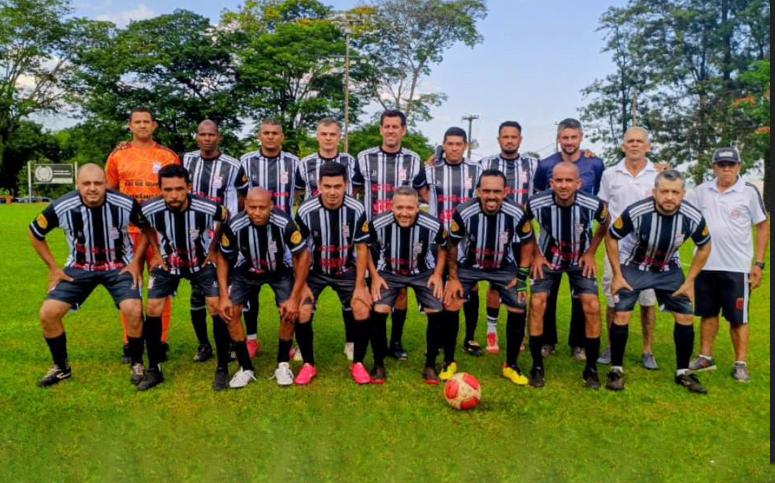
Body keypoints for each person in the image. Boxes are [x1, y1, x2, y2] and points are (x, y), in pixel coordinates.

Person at [29, 164, 151, 387]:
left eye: (98, 183)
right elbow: (35, 232)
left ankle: (136, 362)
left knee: (132, 309)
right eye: (86, 184)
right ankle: (61, 368)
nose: (92, 188)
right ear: (78, 184)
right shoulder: (61, 206)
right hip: (79, 267)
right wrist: (54, 269)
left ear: (106, 184)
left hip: (118, 266)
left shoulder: (125, 203)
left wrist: (135, 262)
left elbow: (147, 229)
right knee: (48, 314)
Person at [605, 170, 712, 394]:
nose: (669, 197)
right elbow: (612, 235)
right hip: (635, 266)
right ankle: (616, 370)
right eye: (664, 191)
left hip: (668, 270)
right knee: (622, 313)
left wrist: (690, 280)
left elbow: (705, 246)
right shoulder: (637, 211)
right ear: (654, 192)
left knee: (685, 316)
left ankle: (683, 372)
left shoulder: (692, 216)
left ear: (683, 194)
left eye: (675, 192)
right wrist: (617, 274)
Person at [137, 165, 229, 391]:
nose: (174, 195)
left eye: (179, 189)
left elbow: (225, 219)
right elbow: (144, 226)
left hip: (202, 263)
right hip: (170, 262)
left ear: (189, 187)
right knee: (153, 308)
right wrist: (156, 251)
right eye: (167, 190)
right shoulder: (149, 208)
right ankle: (154, 369)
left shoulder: (207, 206)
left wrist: (214, 248)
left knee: (216, 307)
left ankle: (222, 368)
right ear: (160, 189)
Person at [445, 170, 534, 385]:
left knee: (519, 303)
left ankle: (511, 365)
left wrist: (522, 277)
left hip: (504, 266)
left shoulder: (517, 213)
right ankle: (448, 361)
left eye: (496, 191)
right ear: (478, 192)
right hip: (470, 266)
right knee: (451, 302)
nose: (491, 196)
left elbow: (528, 243)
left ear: (506, 192)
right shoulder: (464, 211)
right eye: (486, 191)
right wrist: (454, 277)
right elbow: (452, 244)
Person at [687, 147, 769, 382]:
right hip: (706, 264)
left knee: (738, 317)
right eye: (721, 165)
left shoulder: (749, 192)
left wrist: (759, 263)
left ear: (739, 167)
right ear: (713, 167)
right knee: (707, 314)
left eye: (730, 165)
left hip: (737, 267)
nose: (726, 169)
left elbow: (762, 225)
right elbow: (677, 201)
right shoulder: (702, 191)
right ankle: (705, 357)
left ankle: (740, 363)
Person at [105, 107, 180, 362]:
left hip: (159, 232)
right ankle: (131, 342)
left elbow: (176, 193)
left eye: (146, 121)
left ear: (154, 125)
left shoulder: (167, 156)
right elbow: (109, 192)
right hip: (128, 232)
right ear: (130, 126)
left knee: (161, 285)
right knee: (129, 286)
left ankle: (160, 341)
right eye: (137, 122)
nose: (142, 126)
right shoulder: (118, 156)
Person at [526, 162, 609, 389]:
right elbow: (524, 225)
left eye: (568, 180)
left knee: (592, 305)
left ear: (578, 183)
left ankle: (591, 369)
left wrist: (591, 252)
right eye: (558, 180)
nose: (563, 185)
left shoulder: (593, 204)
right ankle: (537, 365)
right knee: (537, 302)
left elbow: (606, 224)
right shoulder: (536, 202)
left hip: (578, 259)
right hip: (548, 259)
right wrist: (536, 254)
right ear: (551, 183)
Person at [217, 188, 312, 388]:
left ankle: (282, 364)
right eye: (252, 207)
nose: (257, 212)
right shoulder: (234, 225)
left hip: (278, 271)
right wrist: (224, 295)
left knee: (289, 311)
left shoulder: (285, 222)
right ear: (245, 206)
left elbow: (303, 255)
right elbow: (223, 257)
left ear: (271, 206)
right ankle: (245, 367)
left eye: (262, 207)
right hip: (245, 271)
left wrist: (295, 296)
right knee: (230, 312)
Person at [356, 110, 427, 360]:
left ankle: (395, 341)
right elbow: (355, 191)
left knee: (400, 289)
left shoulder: (414, 160)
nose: (391, 131)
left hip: (404, 231)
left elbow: (423, 194)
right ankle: (369, 339)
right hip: (373, 234)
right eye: (386, 126)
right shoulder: (363, 158)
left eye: (396, 127)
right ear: (380, 129)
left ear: (403, 130)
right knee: (370, 286)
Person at [533, 118, 605, 361]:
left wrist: (591, 251)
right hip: (550, 242)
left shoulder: (594, 162)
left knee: (582, 296)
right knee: (547, 293)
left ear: (581, 137)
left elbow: (601, 202)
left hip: (581, 239)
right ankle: (547, 341)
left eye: (574, 137)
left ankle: (579, 343)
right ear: (558, 138)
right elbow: (536, 200)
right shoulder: (545, 165)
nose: (570, 142)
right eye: (565, 137)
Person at [295, 162, 371, 384]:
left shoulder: (356, 209)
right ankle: (309, 364)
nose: (332, 192)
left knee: (361, 307)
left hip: (346, 269)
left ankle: (358, 363)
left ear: (346, 185)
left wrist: (360, 285)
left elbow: (362, 248)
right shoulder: (306, 211)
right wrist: (302, 284)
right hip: (315, 271)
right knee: (302, 310)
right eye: (327, 186)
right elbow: (298, 251)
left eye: (337, 186)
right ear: (319, 185)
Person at [295, 118, 364, 360]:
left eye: (332, 134)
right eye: (323, 133)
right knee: (301, 303)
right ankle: (302, 348)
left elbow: (355, 191)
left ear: (339, 136)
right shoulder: (304, 164)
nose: (327, 138)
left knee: (355, 303)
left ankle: (352, 342)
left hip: (343, 237)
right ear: (317, 135)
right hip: (315, 239)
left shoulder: (350, 161)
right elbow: (299, 193)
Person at [366, 187, 448, 384]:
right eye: (399, 207)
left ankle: (430, 365)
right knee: (378, 311)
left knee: (436, 311)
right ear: (391, 207)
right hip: (390, 272)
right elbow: (365, 248)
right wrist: (375, 276)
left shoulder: (434, 224)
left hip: (423, 273)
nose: (404, 212)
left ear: (418, 208)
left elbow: (444, 248)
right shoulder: (377, 223)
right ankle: (378, 363)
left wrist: (437, 274)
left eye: (409, 208)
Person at [235, 120, 300, 358]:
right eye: (266, 133)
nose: (270, 137)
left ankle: (289, 343)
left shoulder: (294, 163)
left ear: (282, 136)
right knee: (249, 289)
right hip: (252, 233)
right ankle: (251, 339)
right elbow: (242, 196)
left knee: (284, 289)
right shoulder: (246, 161)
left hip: (282, 236)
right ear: (259, 136)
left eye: (275, 133)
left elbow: (301, 192)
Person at [597, 127, 660, 369]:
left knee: (647, 302)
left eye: (639, 141)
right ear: (623, 146)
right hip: (617, 250)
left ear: (648, 146)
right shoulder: (610, 173)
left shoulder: (658, 174)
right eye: (630, 141)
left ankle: (647, 350)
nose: (634, 145)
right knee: (613, 300)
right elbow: (604, 211)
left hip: (649, 252)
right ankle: (613, 345)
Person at [475, 121, 537, 355]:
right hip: (493, 227)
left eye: (514, 137)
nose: (509, 140)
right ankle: (492, 329)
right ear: (499, 139)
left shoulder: (533, 163)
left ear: (520, 139)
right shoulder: (485, 163)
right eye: (505, 137)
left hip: (522, 232)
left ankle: (518, 335)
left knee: (519, 283)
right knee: (494, 281)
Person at [182, 120, 241, 363]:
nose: (207, 138)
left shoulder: (232, 165)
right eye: (202, 134)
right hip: (192, 237)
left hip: (222, 237)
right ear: (196, 136)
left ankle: (228, 344)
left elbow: (239, 202)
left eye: (211, 134)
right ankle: (203, 344)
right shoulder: (184, 160)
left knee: (225, 292)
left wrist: (225, 239)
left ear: (219, 137)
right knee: (198, 293)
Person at [425, 127, 480, 359]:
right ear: (444, 145)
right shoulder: (430, 170)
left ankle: (469, 337)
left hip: (467, 239)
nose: (454, 148)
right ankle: (439, 339)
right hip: (438, 237)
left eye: (459, 144)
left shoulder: (477, 169)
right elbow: (421, 193)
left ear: (465, 145)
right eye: (450, 143)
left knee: (470, 287)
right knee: (440, 285)